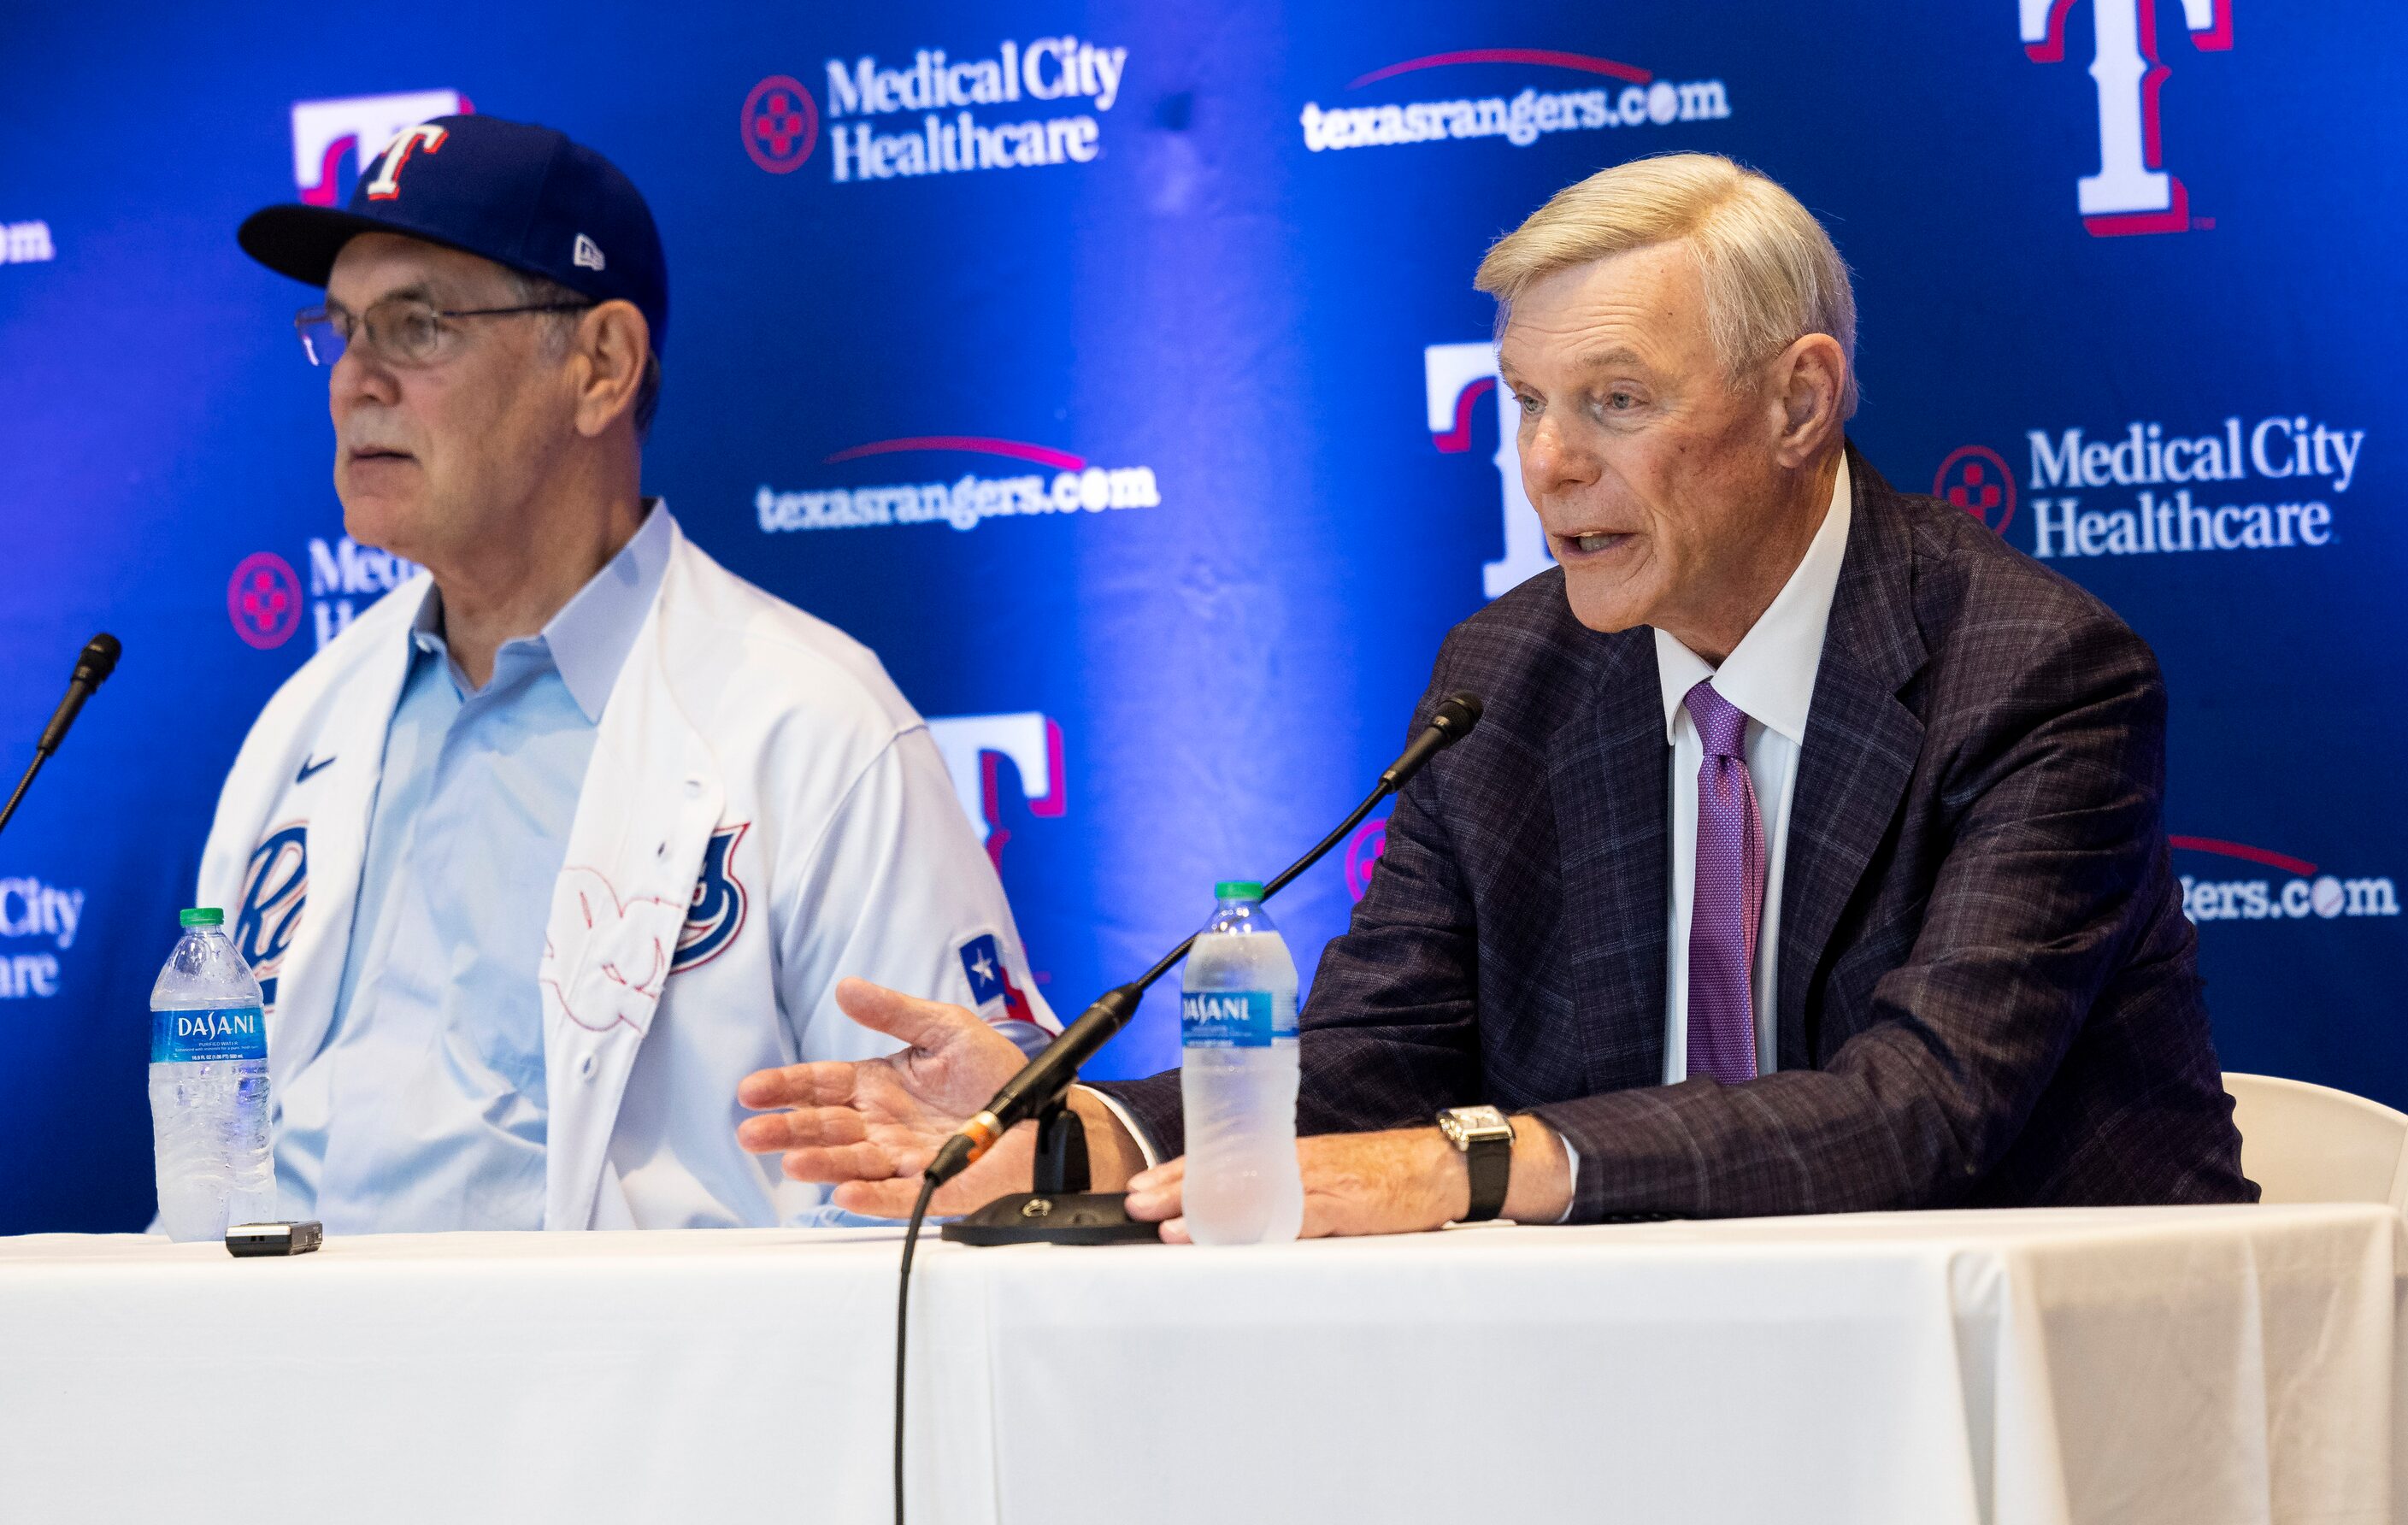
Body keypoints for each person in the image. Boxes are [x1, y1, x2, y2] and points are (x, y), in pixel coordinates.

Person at [735, 153, 2253, 1235]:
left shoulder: (2036, 675)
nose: (1545, 463)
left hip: (2044, 1388)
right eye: (1525, 401)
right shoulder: (1507, 678)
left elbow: (1917, 1108)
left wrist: (1475, 1161)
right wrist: (1075, 1123)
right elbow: (1373, 1062)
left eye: (1615, 401)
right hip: (1649, 1374)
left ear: (1798, 402)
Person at [202, 114, 1053, 1232]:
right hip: (290, 1385)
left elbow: (942, 1183)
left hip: (652, 1394)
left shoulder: (815, 726)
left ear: (600, 366)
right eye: (342, 329)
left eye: (415, 327)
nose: (354, 382)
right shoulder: (302, 721)